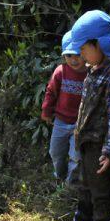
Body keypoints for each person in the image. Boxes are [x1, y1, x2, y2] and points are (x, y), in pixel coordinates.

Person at [59, 10, 110, 221]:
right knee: (84, 186)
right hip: (85, 141)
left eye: (83, 48)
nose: (80, 54)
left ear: (98, 44)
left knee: (101, 192)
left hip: (102, 146)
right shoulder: (94, 69)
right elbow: (85, 108)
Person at [41, 31, 87, 188]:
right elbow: (51, 91)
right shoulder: (61, 71)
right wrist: (47, 111)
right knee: (55, 152)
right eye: (69, 56)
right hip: (60, 121)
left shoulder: (91, 74)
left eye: (77, 55)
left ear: (85, 53)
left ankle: (70, 184)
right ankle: (59, 176)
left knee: (76, 156)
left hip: (80, 124)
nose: (73, 60)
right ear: (64, 57)